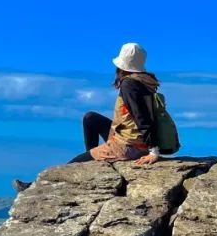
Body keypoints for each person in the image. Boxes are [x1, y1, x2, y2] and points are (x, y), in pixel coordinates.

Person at [13, 43, 162, 193]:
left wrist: (153, 151)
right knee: (90, 118)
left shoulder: (129, 84)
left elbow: (142, 117)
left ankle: (33, 188)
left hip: (130, 145)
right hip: (127, 135)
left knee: (75, 162)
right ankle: (95, 163)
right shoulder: (145, 81)